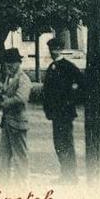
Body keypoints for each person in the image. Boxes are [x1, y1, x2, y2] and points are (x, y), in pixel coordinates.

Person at [42, 37, 82, 182]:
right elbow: (47, 92)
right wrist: (48, 110)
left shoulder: (68, 66)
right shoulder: (51, 67)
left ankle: (71, 175)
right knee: (58, 143)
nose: (53, 52)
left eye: (56, 49)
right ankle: (65, 173)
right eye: (51, 49)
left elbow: (81, 83)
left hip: (65, 112)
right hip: (56, 113)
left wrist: (71, 98)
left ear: (61, 50)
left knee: (66, 142)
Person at [0, 48, 31, 183]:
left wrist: (5, 103)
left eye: (12, 62)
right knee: (3, 156)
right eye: (7, 62)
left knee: (20, 156)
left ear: (19, 63)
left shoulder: (23, 79)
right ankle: (3, 185)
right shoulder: (8, 78)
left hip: (18, 122)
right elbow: (3, 94)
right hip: (6, 123)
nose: (9, 65)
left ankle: (21, 186)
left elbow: (21, 98)